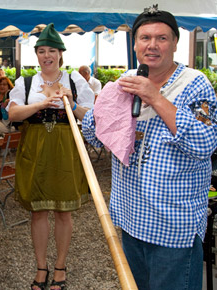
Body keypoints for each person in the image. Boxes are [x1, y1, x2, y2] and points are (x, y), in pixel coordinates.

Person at [82, 6, 217, 290]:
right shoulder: (127, 81)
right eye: (145, 38)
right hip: (131, 219)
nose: (152, 45)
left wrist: (155, 97)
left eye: (162, 38)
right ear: (135, 44)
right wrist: (101, 106)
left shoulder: (194, 84)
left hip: (174, 226)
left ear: (175, 44)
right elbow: (94, 135)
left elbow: (205, 144)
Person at [7, 23, 94, 290]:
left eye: (52, 51)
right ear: (37, 55)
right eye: (42, 51)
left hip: (65, 148)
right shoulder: (26, 82)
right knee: (38, 212)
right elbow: (12, 114)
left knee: (63, 213)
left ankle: (60, 266)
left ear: (60, 53)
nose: (47, 55)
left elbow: (89, 118)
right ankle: (41, 265)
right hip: (35, 149)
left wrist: (73, 102)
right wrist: (40, 104)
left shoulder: (75, 81)